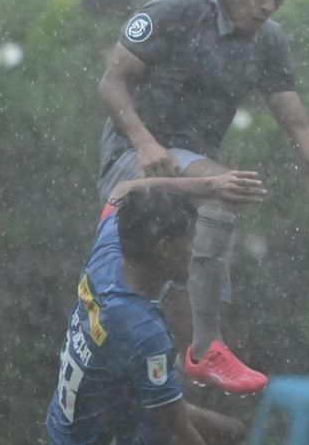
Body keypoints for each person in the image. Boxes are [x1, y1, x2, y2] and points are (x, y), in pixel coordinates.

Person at [96, 0, 309, 394]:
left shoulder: (268, 42)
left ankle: (182, 369)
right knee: (223, 189)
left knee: (197, 295)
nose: (269, 5)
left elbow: (301, 129)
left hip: (193, 178)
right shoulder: (176, 10)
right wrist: (145, 142)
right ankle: (205, 348)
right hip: (133, 162)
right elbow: (110, 82)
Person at [46, 171, 265, 445]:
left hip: (76, 419)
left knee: (230, 431)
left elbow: (124, 189)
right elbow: (175, 428)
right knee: (217, 433)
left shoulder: (109, 252)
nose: (195, 252)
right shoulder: (142, 330)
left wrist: (210, 186)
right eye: (191, 241)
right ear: (164, 248)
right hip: (103, 435)